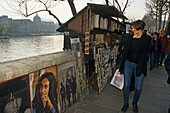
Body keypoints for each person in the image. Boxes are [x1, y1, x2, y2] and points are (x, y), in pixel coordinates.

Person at [119, 20, 152, 113]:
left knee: (138, 87)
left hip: (139, 65)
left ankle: (135, 102)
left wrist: (136, 39)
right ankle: (126, 103)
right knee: (126, 85)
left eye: (132, 28)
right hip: (128, 63)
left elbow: (141, 48)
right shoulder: (129, 38)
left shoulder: (147, 39)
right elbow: (124, 49)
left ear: (139, 29)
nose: (131, 29)